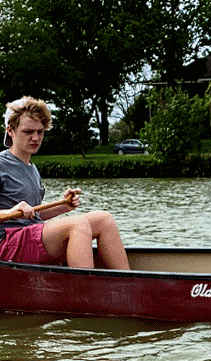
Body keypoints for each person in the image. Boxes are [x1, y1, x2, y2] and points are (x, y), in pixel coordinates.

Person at [0, 96, 130, 270]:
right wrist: (11, 211)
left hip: (30, 236)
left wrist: (64, 207)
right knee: (77, 224)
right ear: (10, 130)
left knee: (104, 220)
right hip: (7, 244)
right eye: (28, 132)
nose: (35, 138)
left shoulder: (31, 168)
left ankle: (128, 286)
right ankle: (83, 293)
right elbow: (16, 216)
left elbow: (33, 215)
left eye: (40, 132)